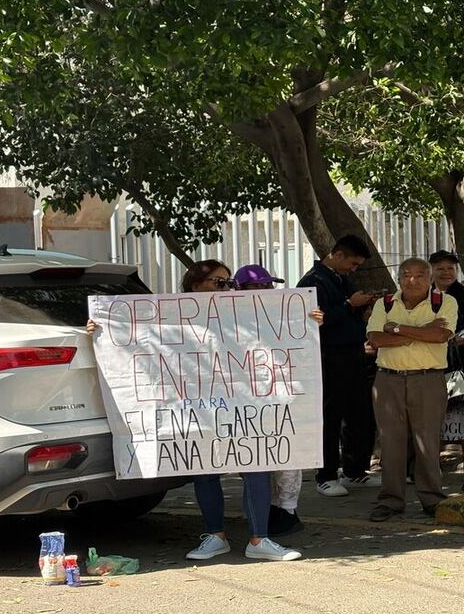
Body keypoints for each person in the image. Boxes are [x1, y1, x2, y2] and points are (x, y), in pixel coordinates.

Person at [88, 259, 301, 562]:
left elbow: (282, 334)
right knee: (205, 471)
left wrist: (308, 321)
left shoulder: (245, 314)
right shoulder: (169, 319)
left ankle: (259, 538)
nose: (228, 288)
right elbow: (136, 339)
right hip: (200, 406)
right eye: (219, 282)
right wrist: (101, 329)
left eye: (230, 282)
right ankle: (215, 536)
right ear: (194, 285)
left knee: (257, 467)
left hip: (245, 404)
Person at [233, 264, 325, 536]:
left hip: (283, 392)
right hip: (242, 397)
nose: (263, 291)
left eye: (266, 285)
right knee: (254, 458)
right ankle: (263, 508)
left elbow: (304, 342)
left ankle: (286, 508)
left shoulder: (288, 313)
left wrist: (313, 321)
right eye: (255, 286)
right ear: (239, 290)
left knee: (287, 454)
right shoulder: (227, 316)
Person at [365, 258, 457, 521]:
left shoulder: (445, 302)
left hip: (427, 379)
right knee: (390, 442)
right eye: (406, 275)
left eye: (419, 275)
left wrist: (396, 329)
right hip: (387, 380)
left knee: (427, 441)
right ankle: (391, 500)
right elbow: (376, 339)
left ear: (430, 279)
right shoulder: (384, 303)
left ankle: (431, 498)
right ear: (399, 279)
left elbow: (441, 336)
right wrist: (420, 331)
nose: (412, 280)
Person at [296, 235, 380, 497]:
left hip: (354, 353)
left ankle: (355, 470)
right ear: (338, 254)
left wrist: (363, 308)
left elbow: (346, 312)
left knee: (360, 413)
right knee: (330, 417)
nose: (353, 269)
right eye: (352, 263)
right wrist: (347, 304)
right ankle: (326, 474)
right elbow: (313, 323)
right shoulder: (312, 281)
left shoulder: (341, 279)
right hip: (328, 356)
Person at [429, 250, 464, 482]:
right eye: (440, 268)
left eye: (450, 268)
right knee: (431, 416)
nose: (445, 272)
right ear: (431, 270)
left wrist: (442, 340)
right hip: (429, 365)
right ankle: (431, 465)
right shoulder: (421, 295)